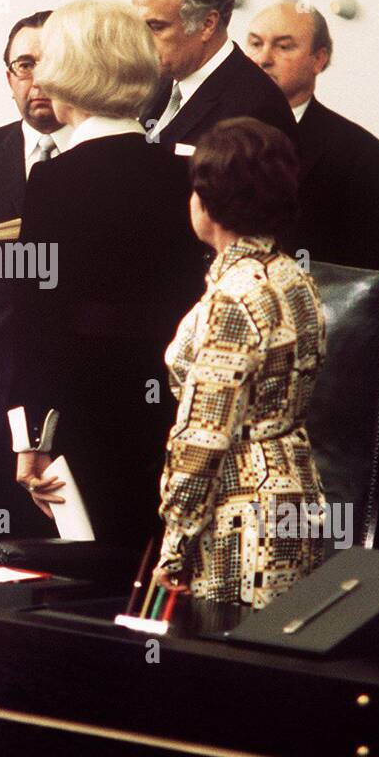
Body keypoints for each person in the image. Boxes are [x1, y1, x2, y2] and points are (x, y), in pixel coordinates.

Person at [9, 0, 205, 551]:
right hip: (165, 408)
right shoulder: (182, 171)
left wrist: (30, 439)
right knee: (142, 560)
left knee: (79, 568)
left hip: (82, 410)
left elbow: (35, 318)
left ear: (68, 70)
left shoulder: (55, 179)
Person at [154, 117, 328, 608]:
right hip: (299, 492)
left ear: (209, 203)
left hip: (241, 515)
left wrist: (175, 543)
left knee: (224, 668)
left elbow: (204, 436)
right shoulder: (297, 279)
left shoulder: (233, 297)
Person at [0, 10, 74, 557]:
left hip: (72, 397)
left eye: (50, 64)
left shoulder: (105, 160)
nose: (38, 81)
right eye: (24, 65)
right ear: (8, 76)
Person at [245, 1, 379, 270]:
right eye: (256, 44)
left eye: (283, 46)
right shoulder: (216, 130)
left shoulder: (363, 155)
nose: (263, 59)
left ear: (319, 59)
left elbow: (368, 273)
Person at [132, 0, 295, 151]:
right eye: (138, 26)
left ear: (207, 24)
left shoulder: (257, 107)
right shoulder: (156, 82)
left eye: (156, 27)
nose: (140, 40)